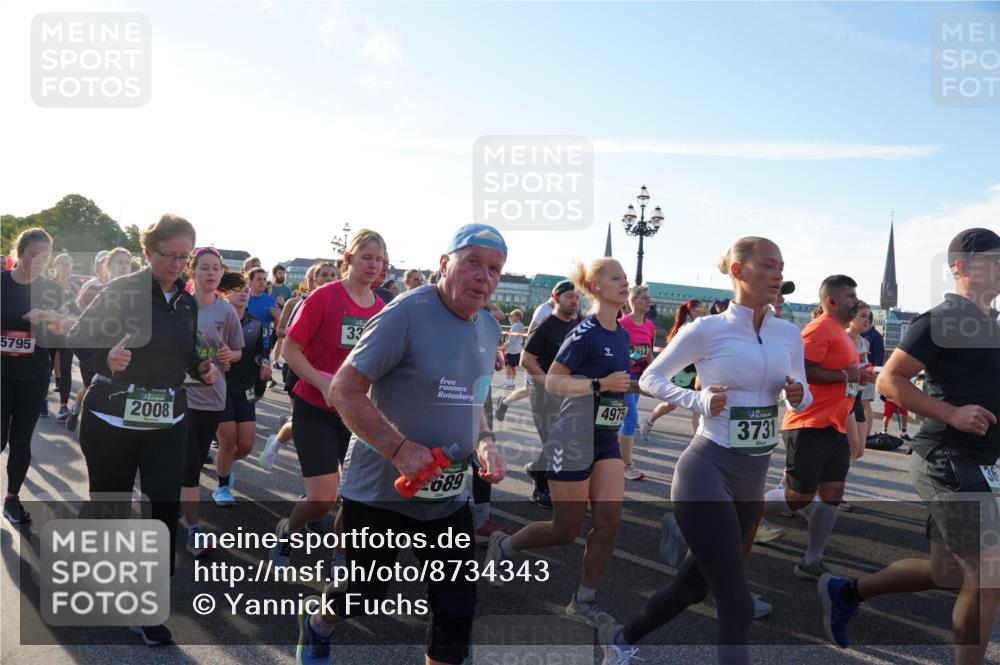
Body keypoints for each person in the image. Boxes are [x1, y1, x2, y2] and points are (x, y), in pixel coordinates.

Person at [295, 223, 508, 665]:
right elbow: (344, 390)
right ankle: (317, 626)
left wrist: (485, 440)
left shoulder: (488, 327)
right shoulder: (405, 313)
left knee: (457, 609)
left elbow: (476, 396)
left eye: (494, 269)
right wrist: (398, 449)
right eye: (472, 263)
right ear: (445, 265)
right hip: (379, 492)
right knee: (364, 592)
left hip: (448, 496)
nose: (483, 277)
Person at [601, 236, 810, 665]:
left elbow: (802, 397)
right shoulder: (708, 329)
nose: (778, 275)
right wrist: (697, 400)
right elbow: (650, 378)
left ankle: (620, 638)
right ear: (737, 271)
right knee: (738, 604)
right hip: (707, 468)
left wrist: (795, 394)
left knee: (693, 588)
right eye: (768, 266)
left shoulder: (788, 333)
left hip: (752, 477)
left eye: (781, 267)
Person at [820, 228, 1000, 665]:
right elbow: (889, 380)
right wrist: (952, 413)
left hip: (978, 461)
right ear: (960, 267)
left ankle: (845, 591)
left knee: (947, 573)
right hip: (947, 459)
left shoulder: (992, 324)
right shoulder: (941, 319)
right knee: (989, 572)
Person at [68, 214, 218, 646]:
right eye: (169, 256)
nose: (176, 264)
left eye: (183, 257)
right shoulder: (122, 291)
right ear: (148, 253)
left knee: (162, 510)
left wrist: (200, 367)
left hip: (166, 420)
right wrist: (104, 359)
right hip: (112, 419)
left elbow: (184, 352)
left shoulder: (186, 302)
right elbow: (81, 337)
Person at [485, 257, 634, 628]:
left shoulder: (622, 333)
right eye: (616, 278)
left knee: (609, 522)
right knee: (565, 530)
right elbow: (553, 381)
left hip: (605, 439)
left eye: (626, 277)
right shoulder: (584, 333)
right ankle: (504, 545)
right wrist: (600, 386)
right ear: (596, 287)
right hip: (572, 435)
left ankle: (583, 601)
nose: (625, 283)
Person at [268, 229, 387, 567]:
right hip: (315, 407)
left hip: (357, 412)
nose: (373, 265)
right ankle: (288, 528)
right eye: (366, 257)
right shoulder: (323, 297)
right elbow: (291, 349)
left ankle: (339, 554)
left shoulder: (380, 308)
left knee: (356, 497)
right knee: (322, 499)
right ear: (347, 259)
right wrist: (322, 382)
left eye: (379, 259)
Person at [760, 274, 864, 581]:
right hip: (809, 423)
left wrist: (855, 378)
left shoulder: (842, 333)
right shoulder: (819, 328)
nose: (855, 301)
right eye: (849, 297)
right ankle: (731, 514)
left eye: (855, 295)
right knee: (799, 497)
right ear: (831, 301)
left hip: (834, 425)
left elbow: (841, 373)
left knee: (833, 492)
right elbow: (801, 370)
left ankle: (812, 560)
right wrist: (845, 377)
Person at [2, 228, 72, 524]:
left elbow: (67, 326)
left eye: (44, 257)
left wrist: (49, 317)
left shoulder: (52, 290)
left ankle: (12, 498)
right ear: (19, 253)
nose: (39, 262)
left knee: (21, 440)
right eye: (33, 255)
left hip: (33, 376)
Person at [180, 249, 245, 548]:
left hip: (210, 397)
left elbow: (236, 351)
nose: (210, 272)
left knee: (191, 464)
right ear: (192, 270)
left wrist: (228, 355)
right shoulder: (178, 304)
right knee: (183, 464)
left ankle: (189, 526)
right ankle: (192, 526)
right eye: (204, 267)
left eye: (215, 268)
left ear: (221, 274)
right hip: (175, 395)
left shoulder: (226, 311)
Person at [259, 261, 338, 469]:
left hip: (329, 373)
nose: (329, 279)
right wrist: (297, 333)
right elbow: (280, 331)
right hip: (298, 367)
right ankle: (275, 445)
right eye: (324, 275)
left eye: (333, 275)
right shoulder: (296, 303)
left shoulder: (339, 306)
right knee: (301, 420)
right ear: (313, 280)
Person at [517, 280, 582, 507]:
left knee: (562, 439)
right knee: (553, 439)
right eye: (569, 297)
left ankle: (537, 469)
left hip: (570, 391)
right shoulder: (545, 326)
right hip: (543, 390)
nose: (574, 301)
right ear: (555, 299)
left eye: (577, 297)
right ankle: (541, 489)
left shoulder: (581, 325)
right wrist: (549, 383)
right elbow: (526, 360)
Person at [67, 247, 134, 432]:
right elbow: (80, 319)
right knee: (93, 390)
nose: (124, 267)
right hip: (94, 352)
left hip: (122, 356)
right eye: (119, 263)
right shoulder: (93, 288)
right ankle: (82, 418)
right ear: (108, 266)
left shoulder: (138, 293)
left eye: (127, 263)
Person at [638, 299, 706, 443]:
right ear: (692, 311)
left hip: (695, 371)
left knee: (697, 407)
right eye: (700, 310)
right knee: (671, 404)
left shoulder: (697, 327)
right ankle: (649, 421)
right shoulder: (686, 328)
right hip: (683, 372)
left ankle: (698, 443)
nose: (703, 314)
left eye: (704, 311)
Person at [618, 285, 656, 481]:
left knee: (621, 421)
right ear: (632, 301)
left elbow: (648, 350)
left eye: (649, 298)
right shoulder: (621, 323)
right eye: (643, 298)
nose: (648, 301)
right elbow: (613, 351)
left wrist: (653, 372)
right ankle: (626, 465)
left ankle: (612, 460)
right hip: (622, 377)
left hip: (638, 379)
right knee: (631, 419)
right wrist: (629, 358)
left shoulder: (649, 325)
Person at [47, 252, 80, 420]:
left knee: (66, 368)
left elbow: (81, 309)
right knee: (48, 367)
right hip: (50, 332)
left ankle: (63, 406)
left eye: (68, 264)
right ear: (55, 266)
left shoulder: (75, 287)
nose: (65, 267)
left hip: (67, 333)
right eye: (62, 264)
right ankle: (42, 400)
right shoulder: (49, 285)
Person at [246, 267, 280, 399]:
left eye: (265, 279)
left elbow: (278, 330)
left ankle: (250, 405)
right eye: (258, 279)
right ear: (250, 281)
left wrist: (277, 317)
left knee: (260, 387)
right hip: (244, 344)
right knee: (246, 383)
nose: (262, 282)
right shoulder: (243, 298)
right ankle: (246, 410)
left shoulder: (270, 301)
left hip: (263, 346)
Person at [861, 310, 885, 439]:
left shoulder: (875, 336)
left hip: (869, 372)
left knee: (865, 403)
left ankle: (866, 433)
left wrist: (875, 374)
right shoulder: (859, 334)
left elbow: (879, 357)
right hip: (860, 373)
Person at [502, 309, 525, 389]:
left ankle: (509, 383)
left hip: (511, 350)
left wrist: (504, 346)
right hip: (517, 349)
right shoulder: (521, 325)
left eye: (512, 316)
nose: (510, 318)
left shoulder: (515, 326)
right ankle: (512, 382)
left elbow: (512, 339)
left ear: (517, 317)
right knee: (513, 367)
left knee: (508, 366)